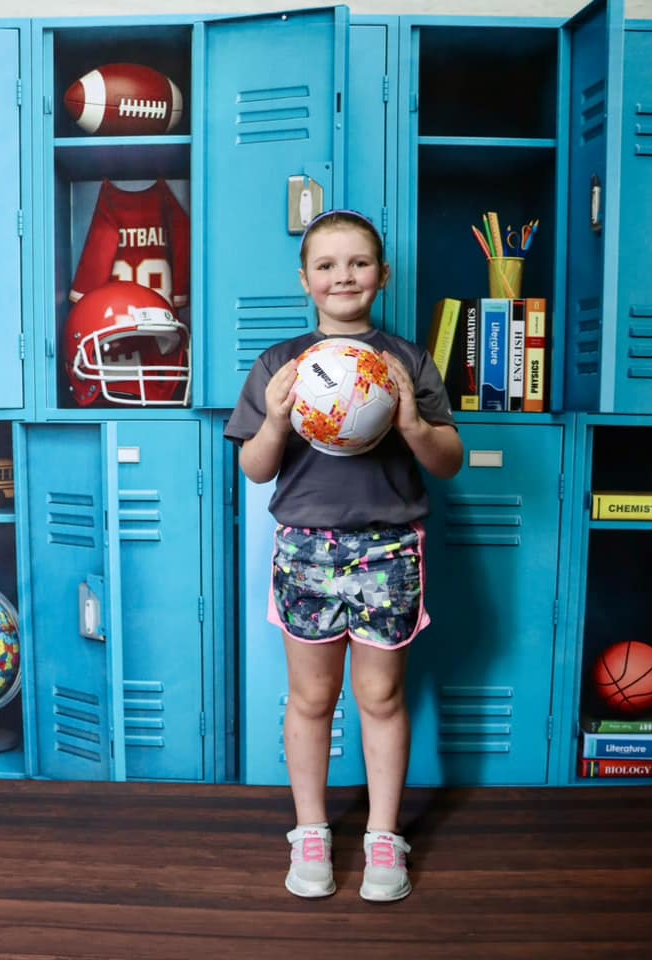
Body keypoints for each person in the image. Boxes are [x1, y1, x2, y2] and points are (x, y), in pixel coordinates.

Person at [225, 210, 463, 901]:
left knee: (382, 696)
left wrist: (412, 422)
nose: (343, 276)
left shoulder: (408, 361)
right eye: (326, 265)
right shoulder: (279, 364)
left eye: (358, 263)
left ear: (382, 276)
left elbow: (448, 463)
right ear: (305, 280)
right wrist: (274, 418)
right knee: (312, 697)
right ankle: (311, 832)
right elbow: (256, 469)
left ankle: (384, 836)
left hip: (389, 548)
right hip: (306, 548)